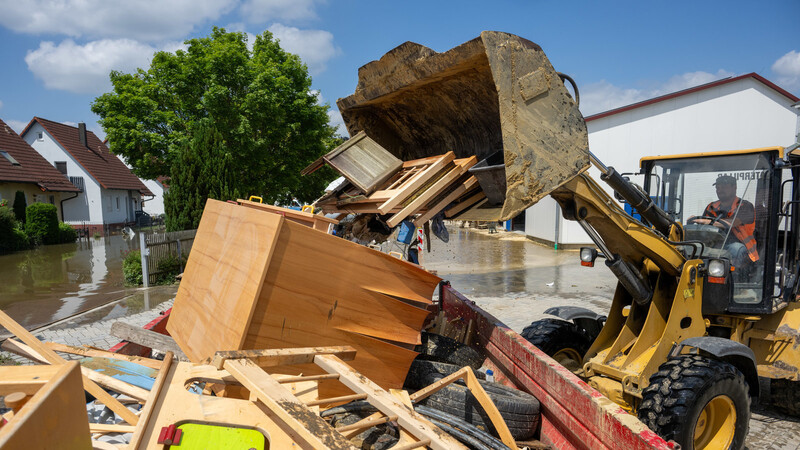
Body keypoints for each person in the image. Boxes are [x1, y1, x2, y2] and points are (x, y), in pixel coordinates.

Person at [689, 175, 759, 269]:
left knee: (736, 248)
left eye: (724, 187)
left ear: (734, 187)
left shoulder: (745, 206)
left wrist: (702, 220)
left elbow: (731, 222)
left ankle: (732, 277)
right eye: (718, 187)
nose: (720, 190)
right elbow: (704, 227)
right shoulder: (711, 207)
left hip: (744, 249)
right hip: (716, 245)